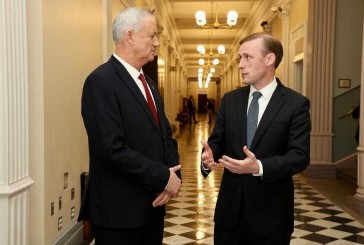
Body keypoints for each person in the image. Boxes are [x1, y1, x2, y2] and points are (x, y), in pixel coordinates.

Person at [78, 7, 182, 245]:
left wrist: (172, 176)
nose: (157, 43)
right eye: (152, 35)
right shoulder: (101, 82)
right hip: (120, 213)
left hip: (153, 206)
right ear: (130, 36)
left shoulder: (149, 84)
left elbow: (166, 134)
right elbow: (111, 148)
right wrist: (162, 176)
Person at [201, 32, 311, 245]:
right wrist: (208, 156)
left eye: (247, 57)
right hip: (229, 215)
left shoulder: (295, 104)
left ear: (269, 59)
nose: (240, 65)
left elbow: (299, 156)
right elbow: (217, 141)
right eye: (240, 58)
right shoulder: (231, 100)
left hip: (271, 217)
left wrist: (258, 166)